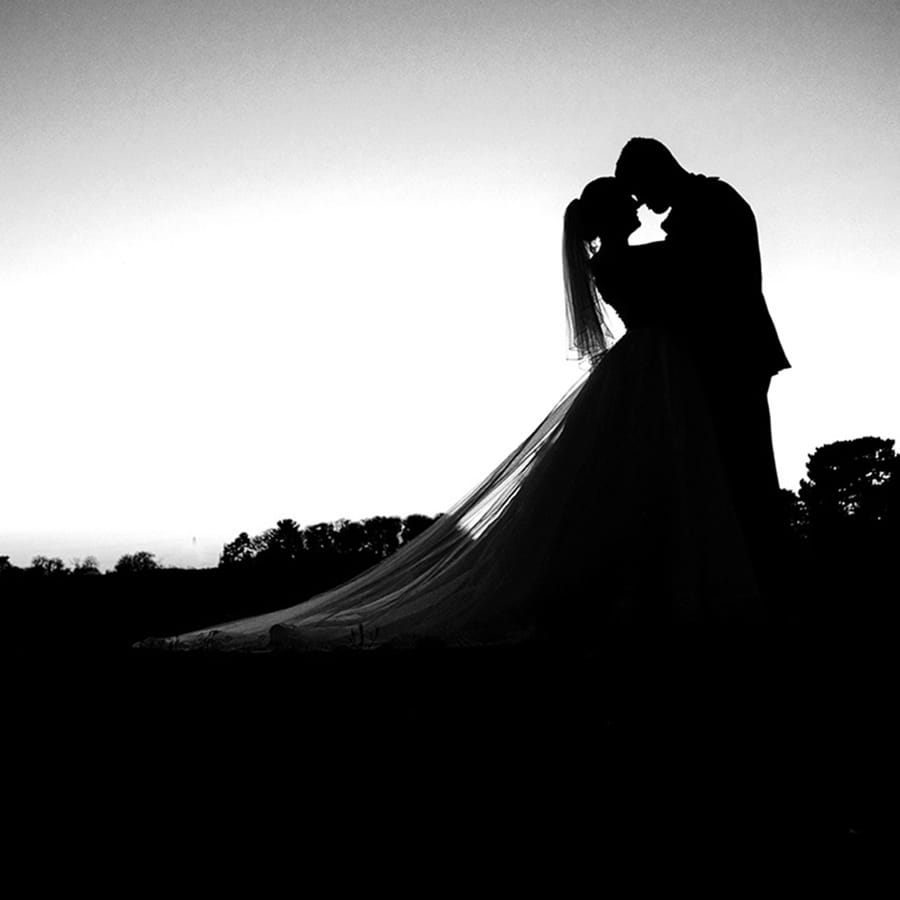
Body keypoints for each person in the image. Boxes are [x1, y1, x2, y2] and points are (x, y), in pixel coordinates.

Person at [140, 178, 762, 653]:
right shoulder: (626, 260)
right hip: (652, 369)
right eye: (626, 201)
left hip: (654, 369)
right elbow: (680, 283)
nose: (635, 205)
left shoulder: (621, 257)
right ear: (610, 215)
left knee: (641, 485)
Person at [613, 138, 790, 598]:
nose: (643, 206)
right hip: (723, 357)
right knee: (727, 475)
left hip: (733, 355)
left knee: (745, 472)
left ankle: (767, 583)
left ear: (657, 171)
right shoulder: (702, 206)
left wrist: (619, 255)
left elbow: (692, 276)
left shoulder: (712, 204)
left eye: (639, 189)